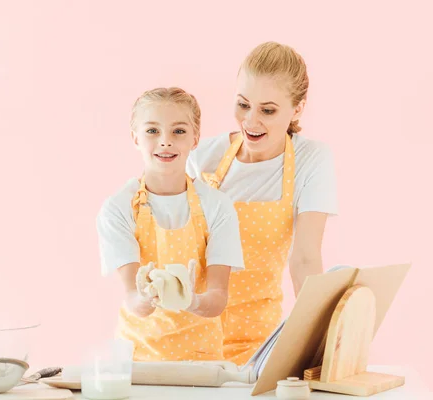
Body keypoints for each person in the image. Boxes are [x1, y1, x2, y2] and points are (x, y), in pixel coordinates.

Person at [187, 42, 338, 365]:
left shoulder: (311, 160)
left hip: (258, 342)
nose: (251, 121)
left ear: (297, 109)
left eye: (268, 110)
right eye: (243, 104)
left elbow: (305, 259)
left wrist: (319, 342)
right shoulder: (202, 158)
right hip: (189, 336)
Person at [97, 87, 245, 361]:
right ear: (135, 138)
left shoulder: (217, 206)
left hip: (201, 361)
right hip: (137, 360)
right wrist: (145, 298)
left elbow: (218, 298)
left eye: (178, 131)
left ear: (195, 138)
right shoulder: (118, 208)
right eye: (152, 131)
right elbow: (131, 298)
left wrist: (193, 301)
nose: (165, 142)